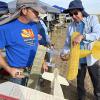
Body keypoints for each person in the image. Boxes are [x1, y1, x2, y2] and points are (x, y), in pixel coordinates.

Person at [61, 0, 100, 100]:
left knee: (96, 79)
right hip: (78, 58)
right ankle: (81, 97)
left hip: (91, 56)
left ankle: (98, 95)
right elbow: (67, 43)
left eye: (75, 13)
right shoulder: (71, 26)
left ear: (81, 11)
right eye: (71, 14)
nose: (73, 16)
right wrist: (64, 53)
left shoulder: (92, 19)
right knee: (80, 80)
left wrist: (82, 36)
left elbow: (97, 34)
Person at [0, 0, 46, 86]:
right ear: (24, 10)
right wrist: (9, 69)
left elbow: (35, 45)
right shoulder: (6, 28)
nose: (38, 14)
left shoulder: (33, 25)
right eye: (35, 11)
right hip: (18, 73)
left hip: (34, 70)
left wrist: (42, 61)